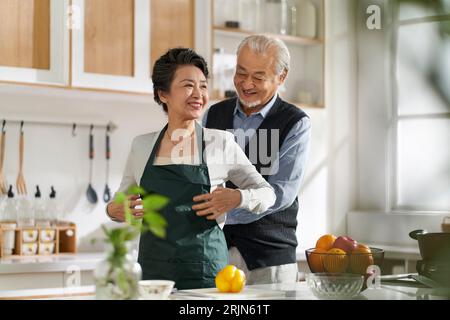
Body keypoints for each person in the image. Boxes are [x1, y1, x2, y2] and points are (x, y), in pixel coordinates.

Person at [106, 48, 276, 290]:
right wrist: (114, 210)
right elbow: (120, 201)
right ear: (163, 94)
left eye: (203, 86)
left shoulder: (221, 143)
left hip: (208, 276)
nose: (199, 94)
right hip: (155, 277)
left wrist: (238, 197)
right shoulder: (142, 146)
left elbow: (267, 193)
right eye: (188, 85)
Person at [202, 35, 311, 284]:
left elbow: (282, 192)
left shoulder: (295, 122)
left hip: (270, 261)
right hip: (216, 255)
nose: (246, 83)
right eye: (241, 73)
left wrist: (230, 208)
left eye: (258, 77)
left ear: (281, 77)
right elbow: (200, 176)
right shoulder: (213, 115)